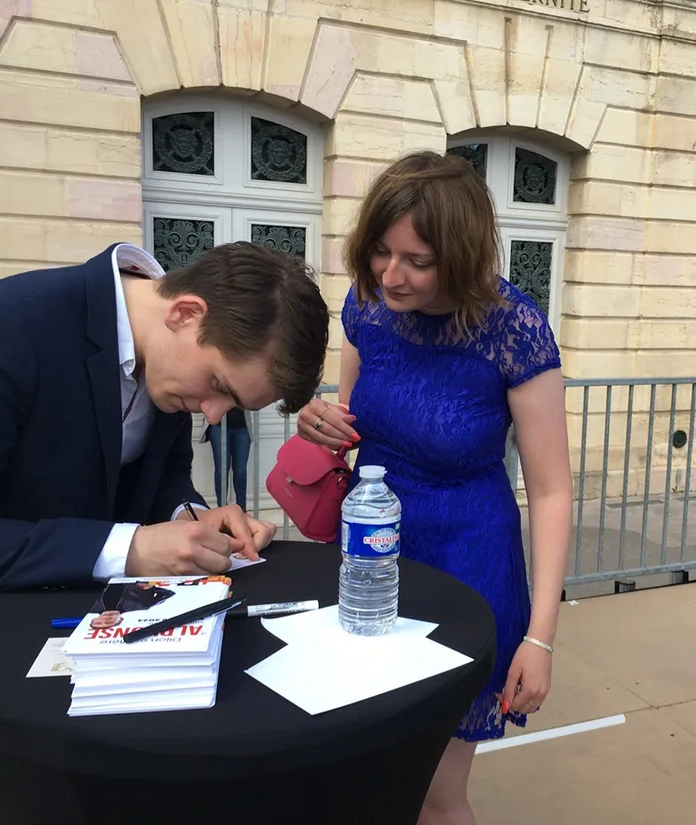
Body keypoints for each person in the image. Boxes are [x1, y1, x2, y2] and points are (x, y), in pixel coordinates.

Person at [0, 240, 329, 825]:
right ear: (186, 312)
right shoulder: (1, 328)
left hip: (101, 681)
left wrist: (190, 518)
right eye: (218, 386)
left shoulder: (168, 365)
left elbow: (163, 481)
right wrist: (131, 547)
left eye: (231, 407)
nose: (211, 415)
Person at [296, 151, 572, 825]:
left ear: (462, 253)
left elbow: (554, 489)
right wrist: (318, 420)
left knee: (434, 796)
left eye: (416, 260)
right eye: (382, 252)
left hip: (466, 562)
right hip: (367, 554)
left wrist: (541, 637)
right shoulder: (368, 304)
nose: (392, 274)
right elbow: (353, 423)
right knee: (363, 768)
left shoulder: (512, 327)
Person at [203, 410, 251, 509]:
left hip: (242, 424)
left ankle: (241, 507)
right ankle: (222, 507)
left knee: (241, 470)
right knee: (222, 469)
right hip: (218, 424)